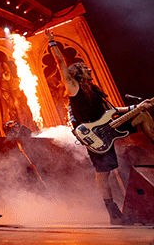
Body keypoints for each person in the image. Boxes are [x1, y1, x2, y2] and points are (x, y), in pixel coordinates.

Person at [45, 29, 154, 224]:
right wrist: (52, 43)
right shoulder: (74, 87)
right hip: (94, 135)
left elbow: (112, 111)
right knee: (103, 174)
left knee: (142, 115)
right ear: (77, 73)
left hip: (109, 128)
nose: (90, 69)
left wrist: (136, 107)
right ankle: (113, 212)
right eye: (85, 68)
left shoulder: (95, 91)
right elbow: (61, 64)